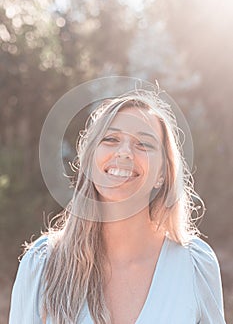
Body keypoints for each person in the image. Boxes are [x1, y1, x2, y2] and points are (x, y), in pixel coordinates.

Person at [9, 88, 226, 324]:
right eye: (111, 139)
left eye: (143, 143)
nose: (124, 153)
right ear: (90, 161)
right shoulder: (42, 263)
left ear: (162, 174)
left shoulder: (194, 265)